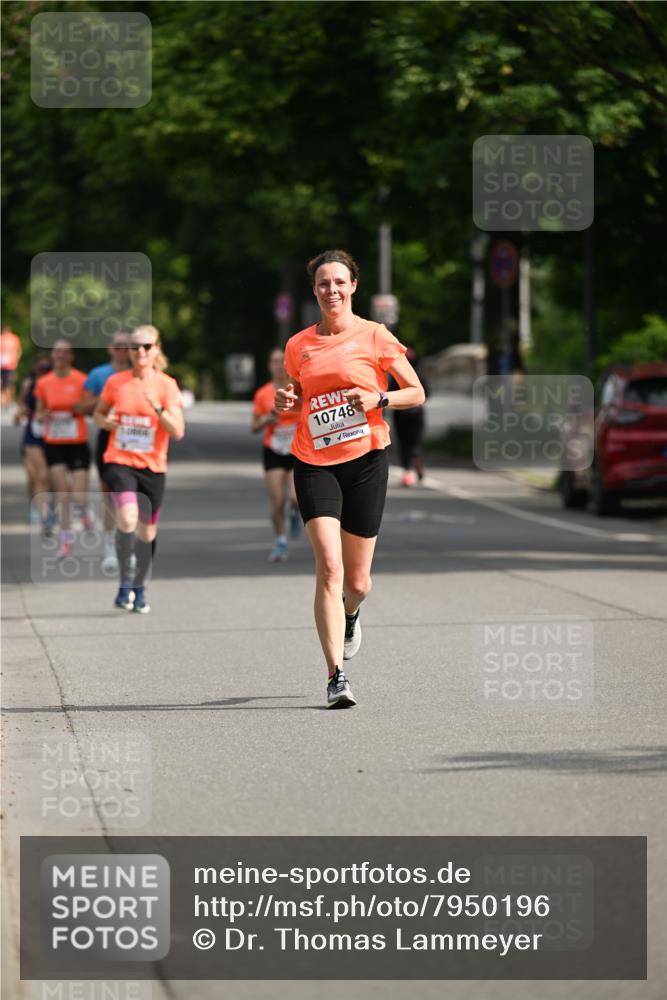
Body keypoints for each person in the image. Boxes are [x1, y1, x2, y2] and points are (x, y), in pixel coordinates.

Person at [277, 250, 425, 708]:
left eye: (339, 282)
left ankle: (352, 613)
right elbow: (301, 396)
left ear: (353, 286)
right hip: (313, 460)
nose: (332, 290)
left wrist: (379, 399)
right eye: (323, 283)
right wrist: (288, 402)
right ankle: (335, 676)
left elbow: (416, 392)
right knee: (330, 567)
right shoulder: (298, 345)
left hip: (365, 461)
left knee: (357, 583)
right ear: (314, 290)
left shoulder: (376, 336)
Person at [93, 325, 184, 614]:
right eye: (134, 347)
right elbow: (98, 412)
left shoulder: (167, 385)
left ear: (157, 349)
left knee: (147, 533)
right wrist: (105, 422)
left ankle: (139, 588)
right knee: (128, 518)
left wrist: (158, 410)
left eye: (146, 346)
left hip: (153, 467)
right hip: (119, 461)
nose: (140, 352)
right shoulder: (116, 382)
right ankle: (123, 582)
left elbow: (178, 431)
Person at [33, 339, 91, 560]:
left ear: (71, 356)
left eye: (65, 352)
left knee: (78, 495)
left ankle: (84, 511)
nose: (61, 356)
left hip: (77, 442)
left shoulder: (81, 380)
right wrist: (43, 415)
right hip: (54, 443)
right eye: (57, 352)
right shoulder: (44, 382)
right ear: (52, 356)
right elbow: (38, 412)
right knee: (63, 496)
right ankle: (66, 542)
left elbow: (89, 407)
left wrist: (78, 408)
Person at [79, 331, 131, 572]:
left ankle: (129, 541)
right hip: (108, 437)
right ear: (110, 348)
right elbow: (80, 406)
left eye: (125, 346)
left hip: (135, 439)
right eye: (117, 346)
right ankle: (110, 544)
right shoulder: (99, 375)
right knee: (109, 491)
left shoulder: (140, 373)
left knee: (133, 492)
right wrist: (105, 400)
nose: (121, 350)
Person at [251, 347, 301, 562]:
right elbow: (254, 426)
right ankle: (280, 541)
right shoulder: (263, 394)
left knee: (295, 498)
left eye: (282, 361)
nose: (279, 366)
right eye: (274, 362)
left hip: (297, 448)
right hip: (274, 448)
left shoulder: (298, 388)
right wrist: (267, 420)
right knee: (277, 499)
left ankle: (295, 512)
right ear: (269, 366)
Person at [14, 354, 52, 528]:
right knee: (34, 476)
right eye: (40, 368)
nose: (42, 371)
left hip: (52, 434)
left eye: (46, 368)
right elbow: (22, 404)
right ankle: (37, 507)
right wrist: (21, 413)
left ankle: (45, 511)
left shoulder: (55, 384)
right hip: (31, 435)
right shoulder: (28, 385)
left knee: (45, 476)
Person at [389, 346, 429, 486]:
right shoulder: (420, 374)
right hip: (415, 413)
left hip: (402, 413)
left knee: (405, 443)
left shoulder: (397, 375)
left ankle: (409, 469)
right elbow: (427, 394)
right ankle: (413, 465)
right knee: (413, 443)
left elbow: (389, 393)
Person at [1, 325, 22, 407]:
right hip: (9, 365)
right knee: (8, 384)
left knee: (5, 384)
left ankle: (6, 401)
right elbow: (19, 351)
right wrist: (16, 360)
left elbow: (18, 351)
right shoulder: (14, 338)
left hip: (7, 365)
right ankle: (6, 401)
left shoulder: (12, 339)